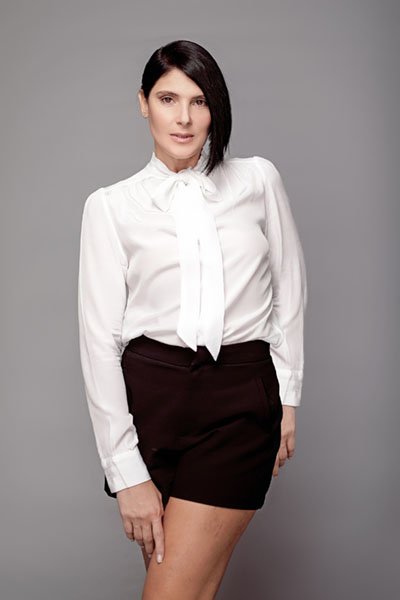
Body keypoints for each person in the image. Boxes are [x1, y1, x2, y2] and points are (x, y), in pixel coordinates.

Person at [77, 39, 308, 600]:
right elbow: (100, 342)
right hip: (150, 405)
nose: (183, 117)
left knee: (170, 593)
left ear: (215, 108)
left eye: (199, 101)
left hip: (237, 401)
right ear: (143, 103)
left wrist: (287, 397)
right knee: (188, 589)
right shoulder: (110, 206)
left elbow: (290, 291)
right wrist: (125, 470)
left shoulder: (258, 180)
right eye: (168, 99)